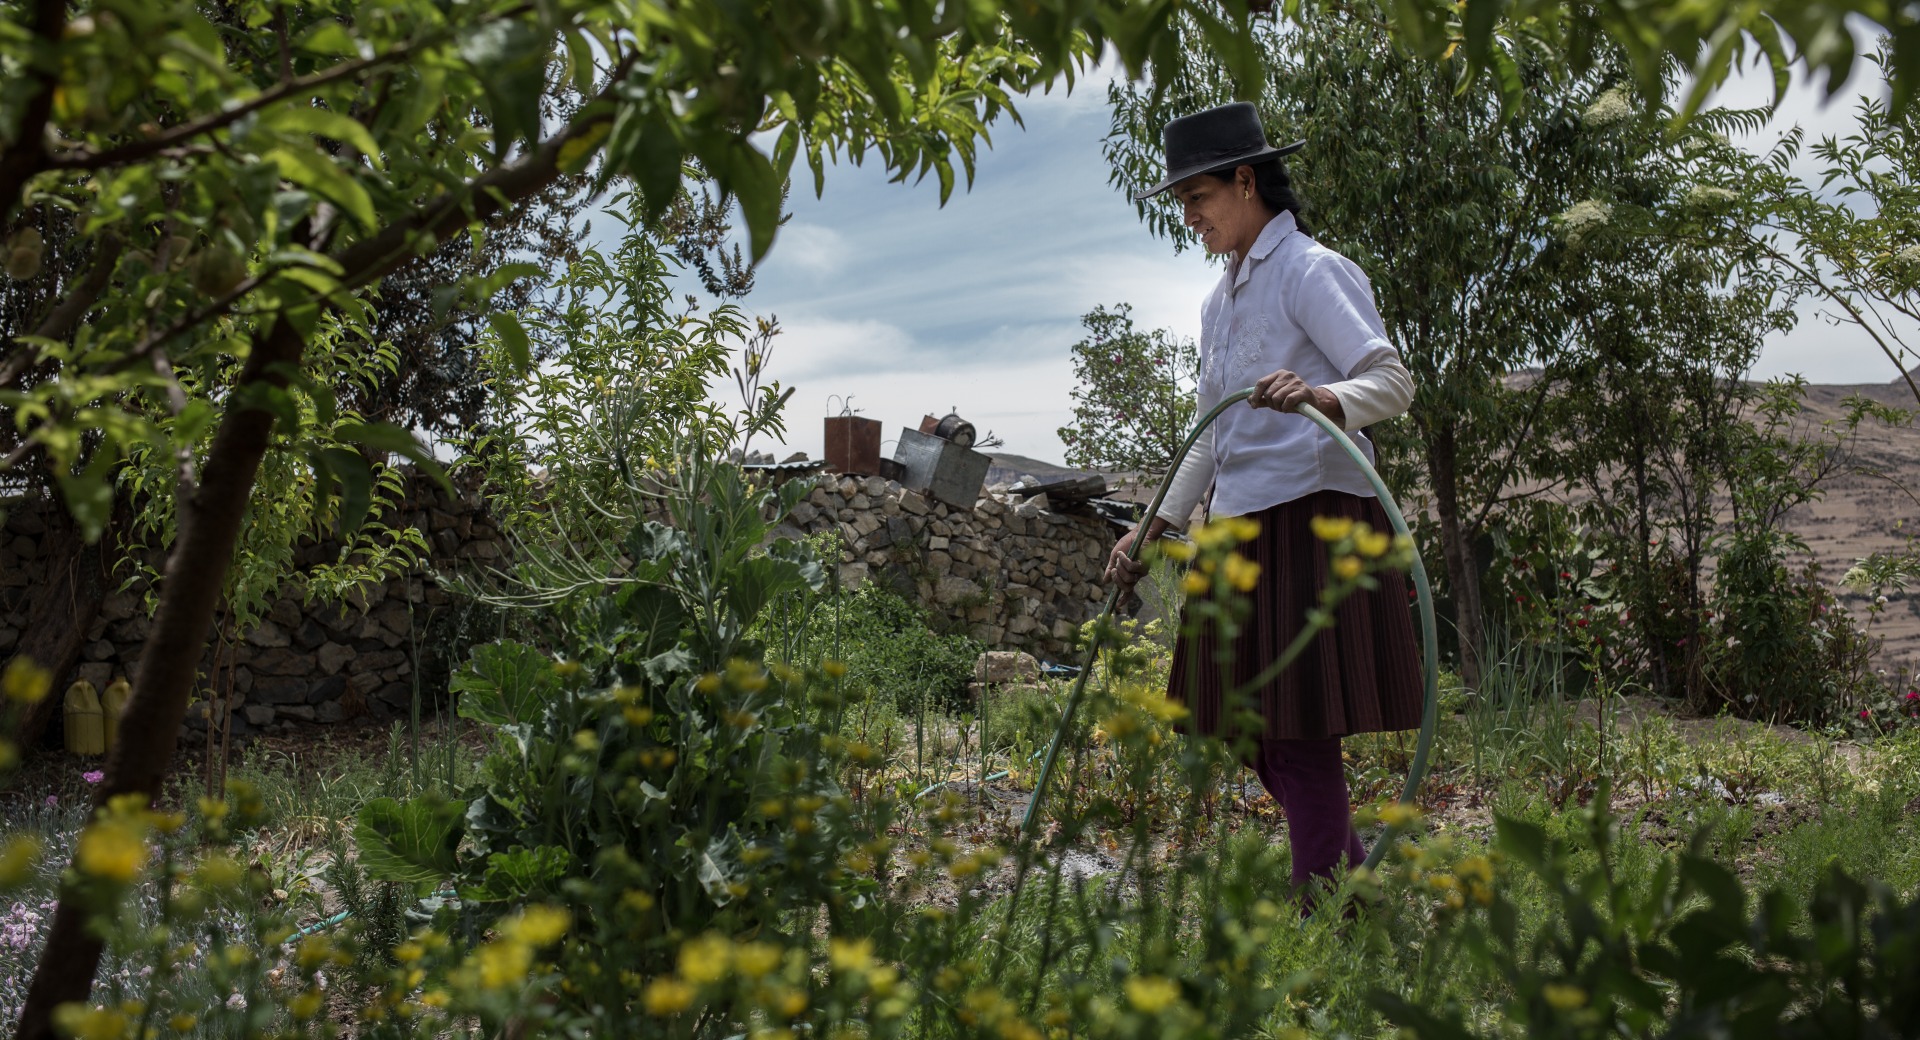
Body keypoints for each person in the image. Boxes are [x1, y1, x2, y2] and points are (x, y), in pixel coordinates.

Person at [1104, 102, 1423, 903]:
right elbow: (1213, 434)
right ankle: (1348, 872)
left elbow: (1392, 383)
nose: (1190, 217)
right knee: (1235, 717)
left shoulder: (1312, 271)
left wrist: (1321, 395)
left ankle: (1323, 900)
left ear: (1246, 182)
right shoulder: (1219, 303)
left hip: (1313, 515)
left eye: (1199, 197)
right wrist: (1157, 524)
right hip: (1240, 526)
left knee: (1300, 725)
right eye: (1182, 203)